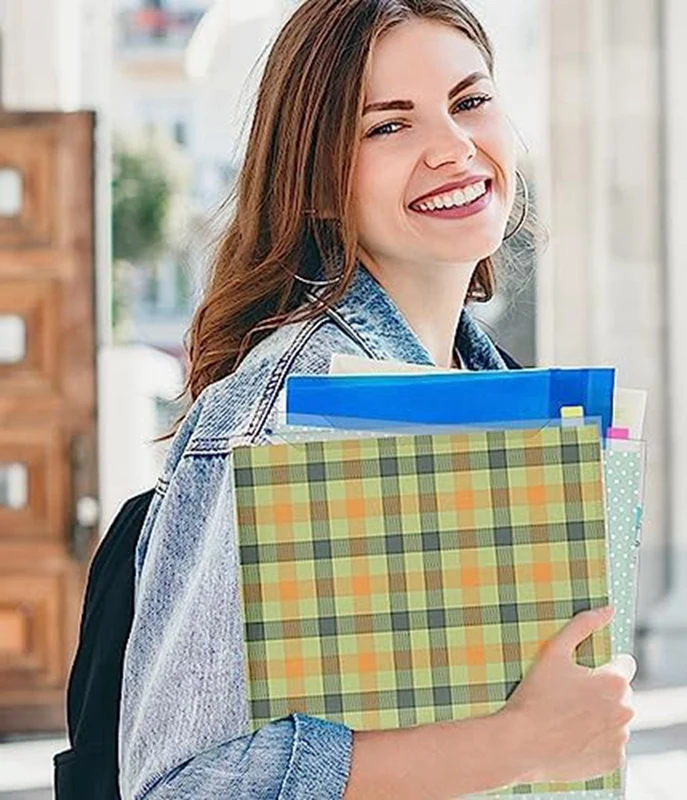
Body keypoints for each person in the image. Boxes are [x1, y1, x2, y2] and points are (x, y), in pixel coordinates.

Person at [118, 1, 637, 798]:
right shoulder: (284, 410)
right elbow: (181, 787)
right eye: (388, 127)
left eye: (470, 102)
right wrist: (518, 745)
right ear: (318, 182)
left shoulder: (495, 387)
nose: (454, 147)